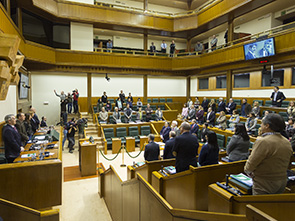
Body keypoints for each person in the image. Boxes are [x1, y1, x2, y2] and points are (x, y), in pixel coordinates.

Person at [244, 113, 293, 195]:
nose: (260, 126)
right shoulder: (286, 141)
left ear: (267, 125)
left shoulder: (263, 141)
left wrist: (248, 171)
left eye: (262, 124)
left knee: (259, 206)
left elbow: (250, 165)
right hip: (282, 181)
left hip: (264, 183)